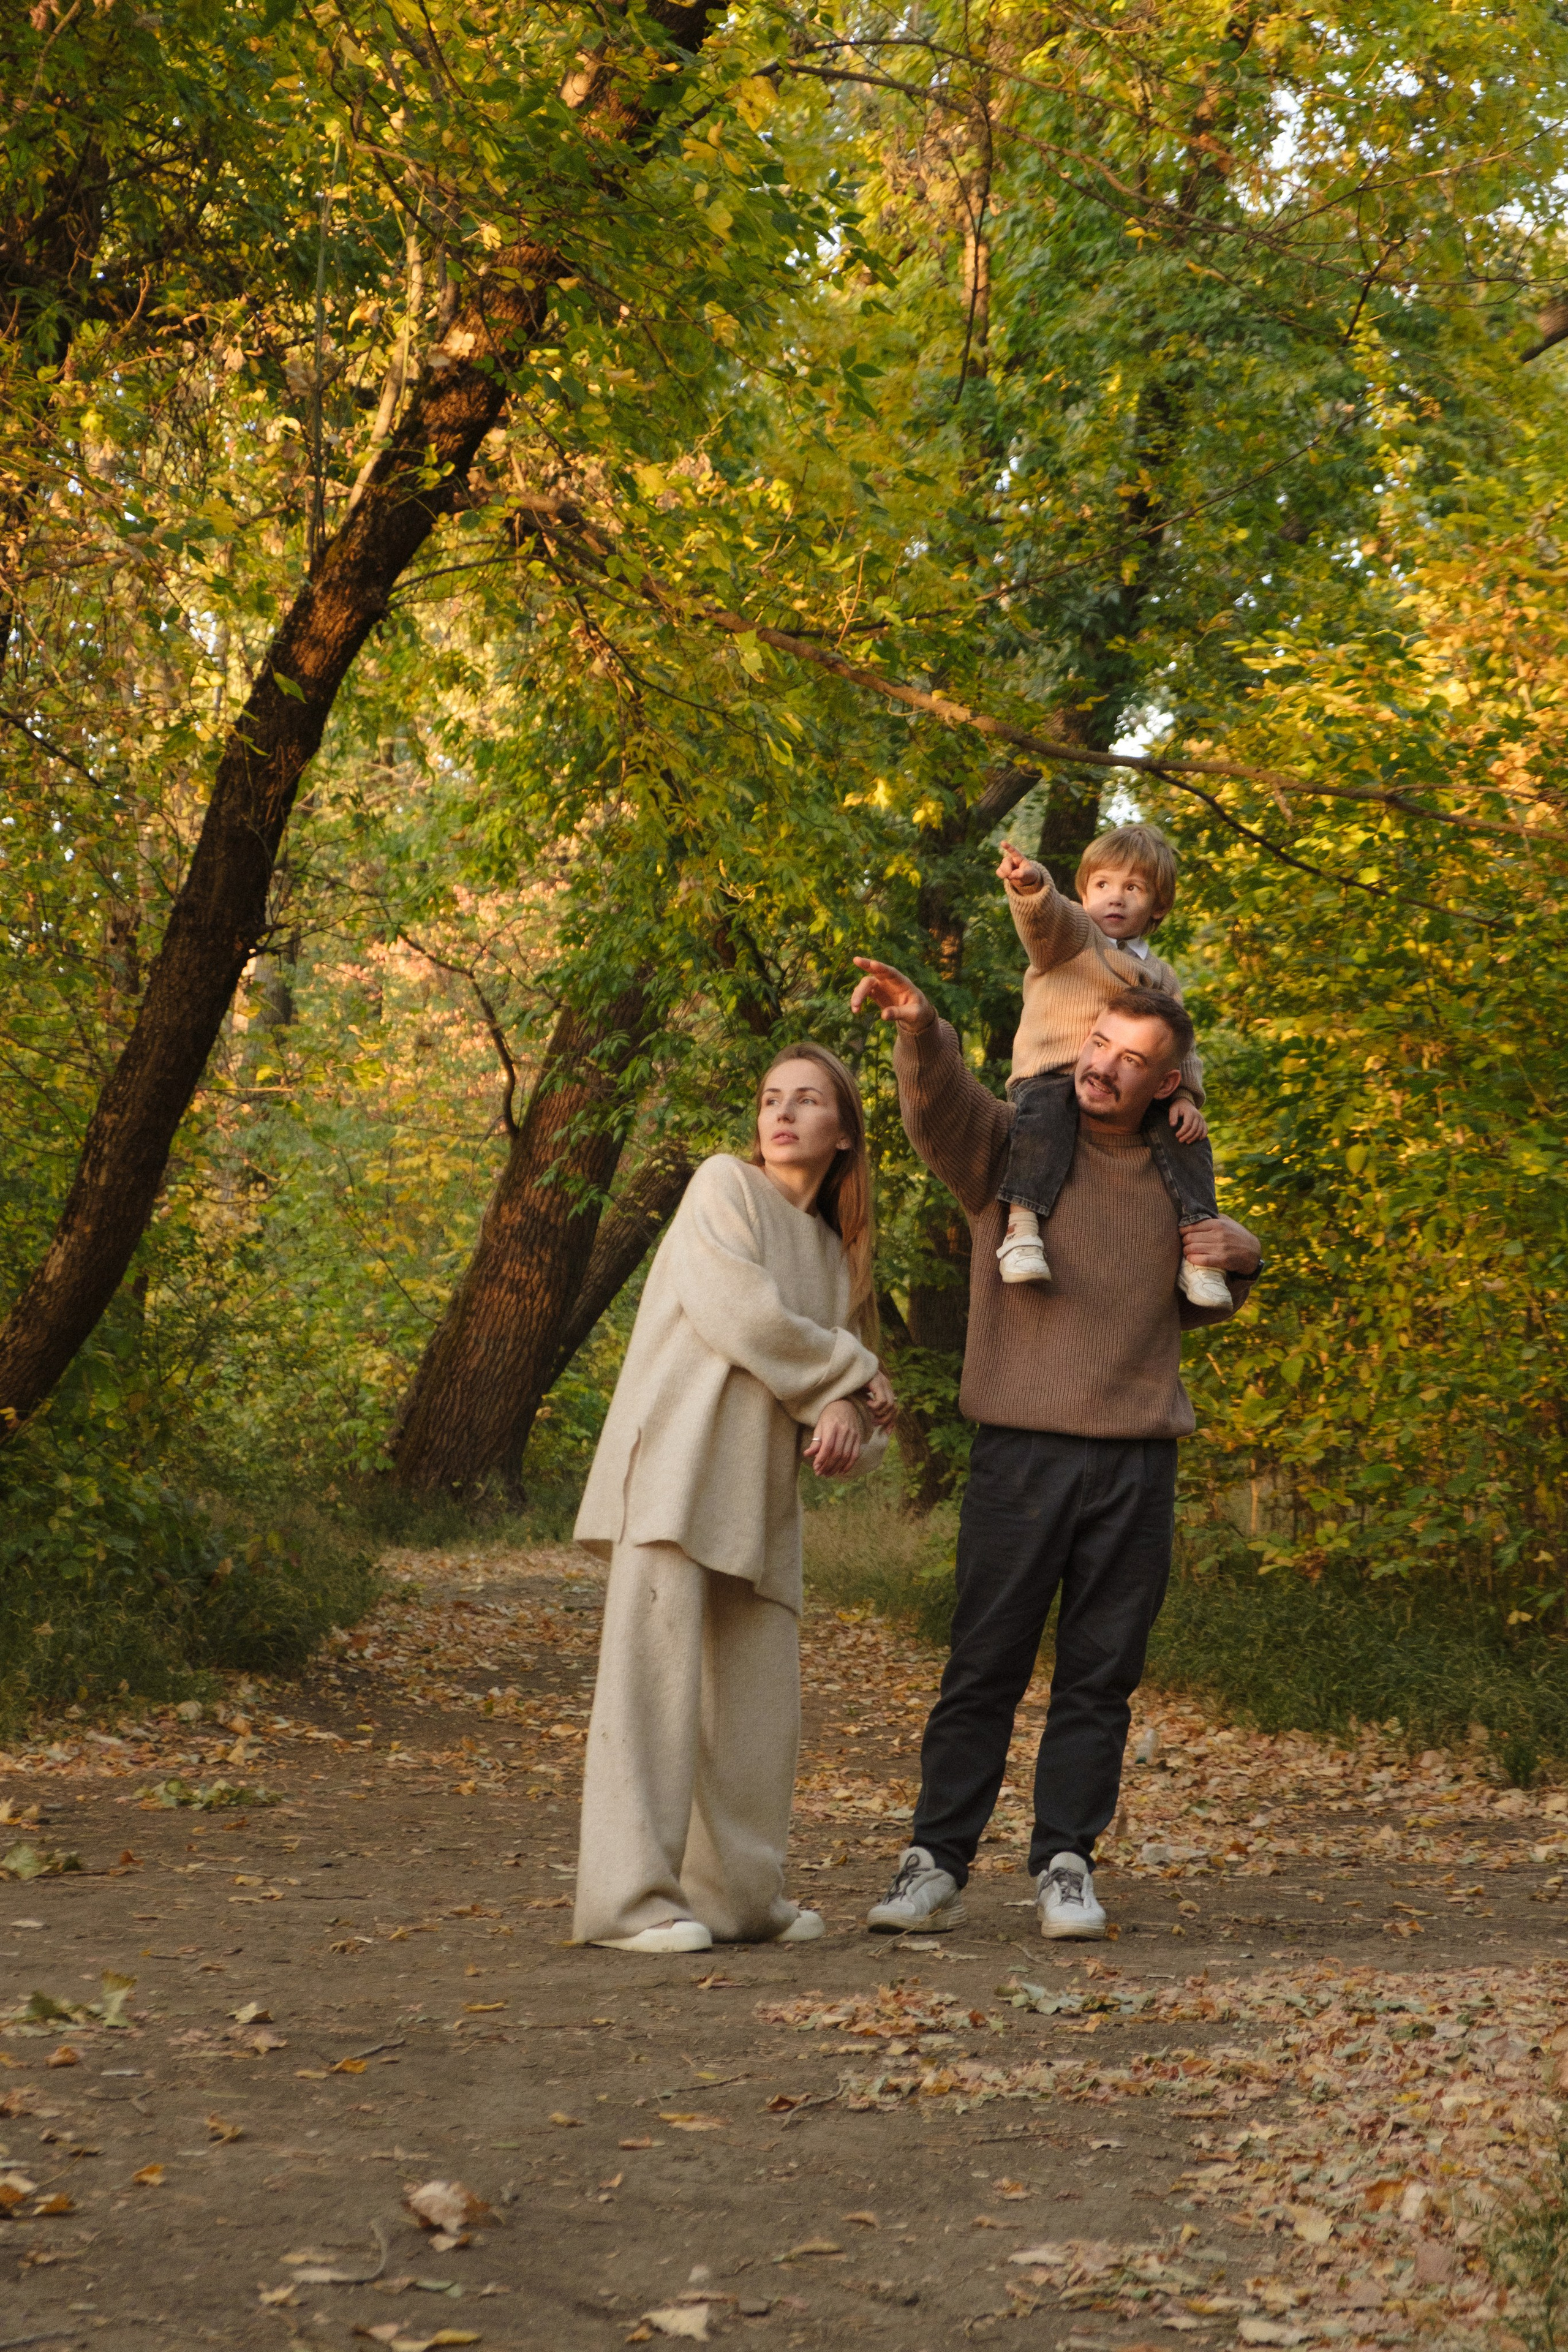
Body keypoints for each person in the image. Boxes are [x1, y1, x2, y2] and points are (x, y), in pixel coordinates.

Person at [848, 957, 1261, 1942]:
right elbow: (941, 1113)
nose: (1106, 1068)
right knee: (983, 1663)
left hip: (1135, 1458)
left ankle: (1065, 1865)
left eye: (1133, 1061)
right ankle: (933, 1862)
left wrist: (1246, 1261)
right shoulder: (1016, 1150)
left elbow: (1195, 1302)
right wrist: (921, 1030)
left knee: (1099, 1675)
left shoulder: (1177, 1171)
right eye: (1100, 1046)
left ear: (1168, 1084)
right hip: (1021, 1451)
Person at [571, 1044, 896, 1956]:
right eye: (769, 1099)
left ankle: (741, 1901)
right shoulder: (723, 1186)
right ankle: (627, 1906)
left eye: (807, 1101)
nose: (782, 1114)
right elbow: (743, 1314)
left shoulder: (838, 1255)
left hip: (760, 1503)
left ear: (844, 1133)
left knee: (757, 1712)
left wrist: (846, 1418)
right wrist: (847, 1377)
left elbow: (861, 1416)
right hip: (677, 1468)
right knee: (653, 1698)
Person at [993, 823, 1231, 1311]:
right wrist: (1032, 886)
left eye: (1133, 888)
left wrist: (1185, 1097)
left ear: (1158, 907)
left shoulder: (1162, 975)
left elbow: (1180, 1044)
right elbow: (1046, 920)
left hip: (1127, 1090)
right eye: (1102, 885)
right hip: (1051, 1073)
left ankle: (1201, 1253)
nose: (1115, 898)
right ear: (1085, 891)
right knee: (1043, 1119)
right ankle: (1022, 1228)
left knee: (1186, 1135)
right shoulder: (1075, 936)